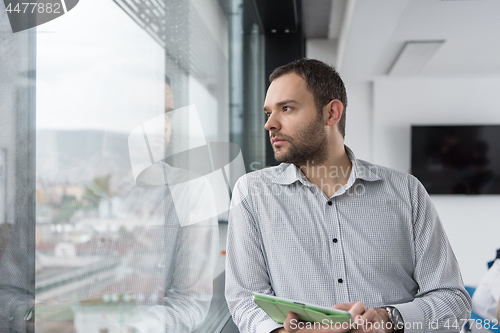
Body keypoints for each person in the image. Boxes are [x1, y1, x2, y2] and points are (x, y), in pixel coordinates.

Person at [225, 58, 471, 333]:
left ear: (331, 113)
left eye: (286, 108)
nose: (270, 123)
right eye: (268, 112)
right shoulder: (252, 194)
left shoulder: (406, 192)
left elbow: (453, 301)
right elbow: (245, 300)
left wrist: (389, 319)